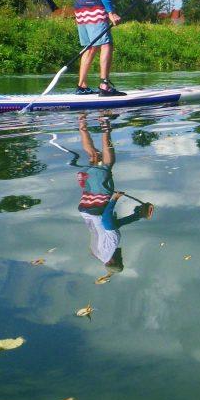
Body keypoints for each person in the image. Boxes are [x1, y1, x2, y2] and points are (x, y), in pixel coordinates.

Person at [73, 114, 151, 280]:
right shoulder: (99, 254)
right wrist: (137, 216)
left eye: (122, 259)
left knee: (108, 163)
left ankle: (105, 124)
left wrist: (114, 198)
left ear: (115, 260)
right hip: (86, 206)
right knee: (94, 157)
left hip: (97, 204)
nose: (122, 255)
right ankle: (81, 121)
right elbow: (113, 225)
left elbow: (108, 220)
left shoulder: (112, 245)